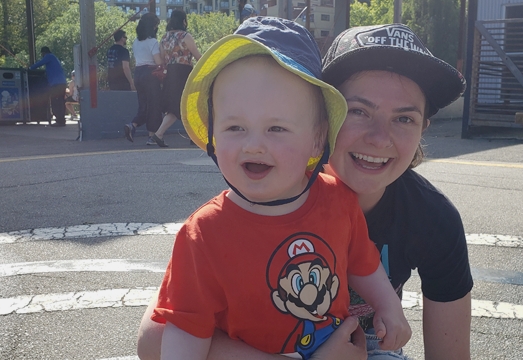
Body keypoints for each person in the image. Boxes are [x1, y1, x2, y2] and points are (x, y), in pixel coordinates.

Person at [137, 23, 472, 360]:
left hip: (357, 343)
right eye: (359, 111)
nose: (379, 138)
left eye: (404, 119)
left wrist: (388, 311)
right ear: (326, 125)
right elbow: (156, 340)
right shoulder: (262, 188)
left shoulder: (431, 218)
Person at [150, 9, 201, 148]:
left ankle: (191, 136)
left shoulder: (164, 38)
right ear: (183, 21)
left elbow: (161, 58)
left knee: (177, 105)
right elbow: (198, 56)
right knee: (182, 105)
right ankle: (159, 134)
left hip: (170, 73)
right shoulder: (185, 36)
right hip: (184, 72)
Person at [124, 12, 163, 146]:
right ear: (152, 27)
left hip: (138, 73)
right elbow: (158, 61)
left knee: (143, 105)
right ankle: (152, 136)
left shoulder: (136, 42)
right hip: (150, 74)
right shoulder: (152, 42)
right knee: (154, 106)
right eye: (156, 26)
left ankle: (133, 124)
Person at [29, 46, 67, 127]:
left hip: (56, 84)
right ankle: (62, 120)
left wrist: (30, 68)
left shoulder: (49, 56)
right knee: (60, 102)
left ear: (43, 53)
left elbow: (39, 63)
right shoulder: (54, 58)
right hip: (62, 82)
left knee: (56, 102)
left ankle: (59, 121)